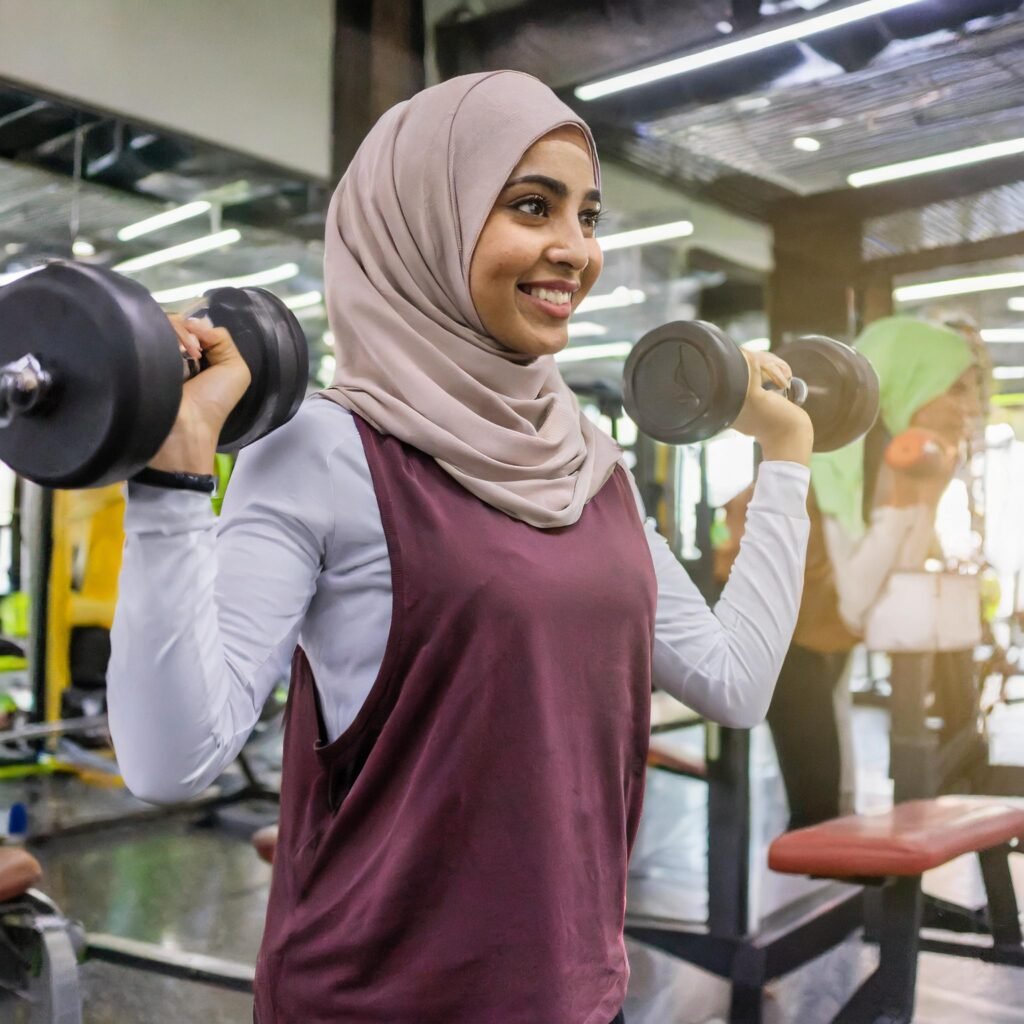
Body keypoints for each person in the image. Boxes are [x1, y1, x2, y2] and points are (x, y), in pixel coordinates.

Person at [107, 72, 814, 1024]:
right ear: (420, 223)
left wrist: (787, 458)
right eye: (531, 206)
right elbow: (171, 762)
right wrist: (174, 476)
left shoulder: (590, 466)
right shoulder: (322, 447)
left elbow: (736, 683)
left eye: (587, 216)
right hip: (374, 1003)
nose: (575, 250)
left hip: (576, 994)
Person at [718, 317, 982, 830]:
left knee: (838, 801)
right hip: (786, 645)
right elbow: (857, 604)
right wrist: (906, 503)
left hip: (827, 639)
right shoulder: (827, 470)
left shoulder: (896, 458)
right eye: (957, 390)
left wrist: (919, 497)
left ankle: (846, 894)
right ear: (912, 380)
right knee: (818, 807)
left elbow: (887, 588)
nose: (968, 408)